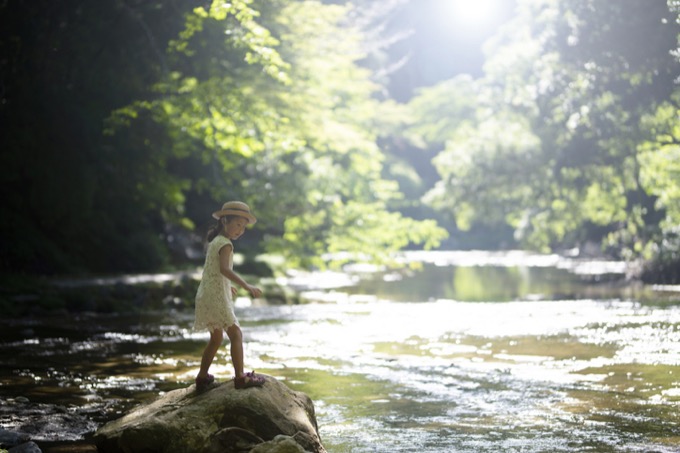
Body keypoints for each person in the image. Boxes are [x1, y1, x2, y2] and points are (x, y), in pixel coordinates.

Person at [193, 201, 265, 391]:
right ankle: (240, 377)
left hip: (206, 294)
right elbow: (224, 269)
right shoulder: (225, 244)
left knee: (216, 338)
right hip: (215, 296)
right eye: (238, 224)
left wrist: (227, 286)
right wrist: (245, 285)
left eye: (244, 227)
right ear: (225, 221)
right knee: (236, 334)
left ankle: (202, 377)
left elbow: (212, 271)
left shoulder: (215, 241)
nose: (240, 230)